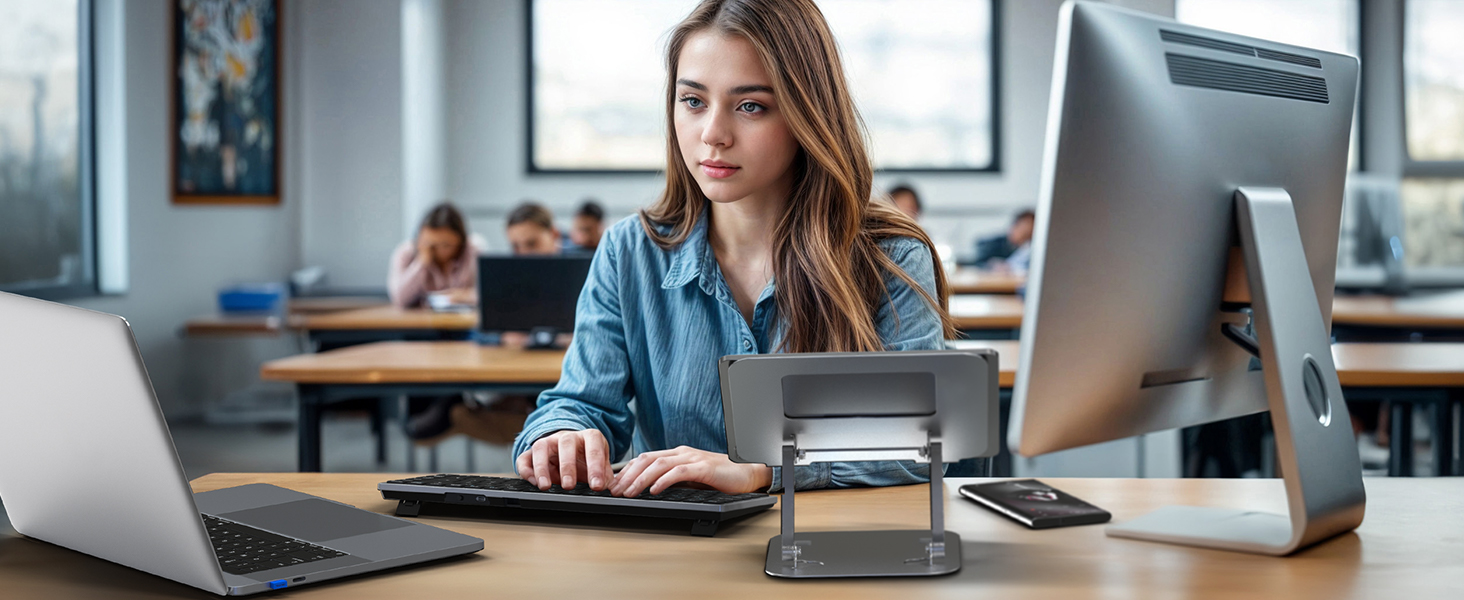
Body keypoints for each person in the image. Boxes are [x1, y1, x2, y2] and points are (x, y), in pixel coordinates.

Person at [511, 0, 957, 498]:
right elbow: (581, 403)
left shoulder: (888, 254)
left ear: (807, 112)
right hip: (676, 558)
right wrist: (561, 435)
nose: (712, 135)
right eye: (693, 101)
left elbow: (921, 445)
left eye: (751, 106)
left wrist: (765, 470)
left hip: (832, 554)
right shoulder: (628, 252)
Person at [388, 202, 480, 309]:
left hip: (462, 321)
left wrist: (465, 295)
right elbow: (399, 299)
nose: (439, 251)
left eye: (446, 245)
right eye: (432, 245)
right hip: (418, 321)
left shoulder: (474, 250)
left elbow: (487, 294)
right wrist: (422, 262)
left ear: (461, 241)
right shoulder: (406, 253)